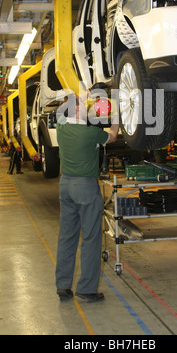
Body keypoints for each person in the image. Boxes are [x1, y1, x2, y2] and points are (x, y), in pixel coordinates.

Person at [55, 92, 119, 303]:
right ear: (75, 110)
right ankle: (87, 289)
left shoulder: (62, 128)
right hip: (85, 187)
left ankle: (63, 286)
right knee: (91, 237)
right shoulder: (90, 133)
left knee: (67, 236)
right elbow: (113, 136)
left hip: (66, 186)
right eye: (83, 105)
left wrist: (83, 94)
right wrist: (117, 114)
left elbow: (61, 112)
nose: (87, 106)